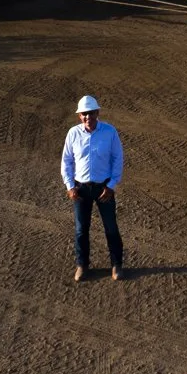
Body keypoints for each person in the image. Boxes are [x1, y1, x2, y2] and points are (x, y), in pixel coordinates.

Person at [60, 94, 125, 282]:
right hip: (81, 189)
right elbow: (66, 161)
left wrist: (112, 185)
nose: (88, 117)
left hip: (104, 188)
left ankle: (116, 265)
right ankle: (82, 265)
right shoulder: (73, 133)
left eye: (91, 113)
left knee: (111, 228)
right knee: (81, 229)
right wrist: (70, 186)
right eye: (84, 114)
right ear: (80, 116)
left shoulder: (110, 132)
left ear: (97, 113)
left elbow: (117, 159)